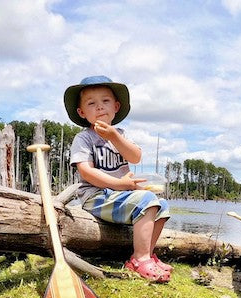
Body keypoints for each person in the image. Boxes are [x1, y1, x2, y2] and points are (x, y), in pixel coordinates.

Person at [64, 75, 172, 282]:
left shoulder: (120, 134)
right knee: (147, 201)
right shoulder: (83, 138)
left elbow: (135, 156)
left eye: (105, 101)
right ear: (81, 112)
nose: (99, 107)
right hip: (95, 197)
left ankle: (144, 255)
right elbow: (86, 172)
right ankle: (140, 260)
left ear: (116, 106)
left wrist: (114, 136)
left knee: (162, 204)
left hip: (120, 195)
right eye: (91, 103)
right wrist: (120, 184)